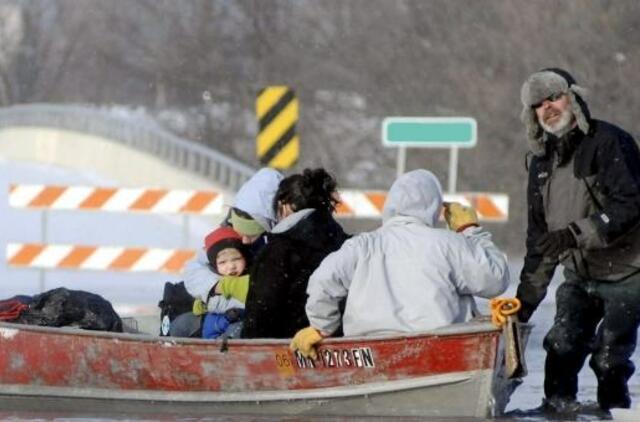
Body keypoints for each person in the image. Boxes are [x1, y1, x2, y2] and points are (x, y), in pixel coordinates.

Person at [516, 68, 640, 412]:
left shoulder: (608, 142)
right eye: (539, 104)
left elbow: (630, 204)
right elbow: (539, 243)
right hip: (580, 276)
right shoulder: (540, 165)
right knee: (560, 344)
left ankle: (615, 413)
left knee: (608, 358)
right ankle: (558, 411)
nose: (548, 108)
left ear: (573, 97)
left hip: (629, 273)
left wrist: (575, 233)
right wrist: (522, 308)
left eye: (554, 97)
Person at [290, 169, 510, 357]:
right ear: (434, 206)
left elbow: (323, 281)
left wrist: (322, 327)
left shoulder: (362, 246)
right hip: (439, 349)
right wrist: (469, 230)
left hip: (368, 352)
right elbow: (495, 280)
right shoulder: (449, 244)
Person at [168, 167, 283, 337]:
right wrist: (219, 286)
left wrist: (217, 301)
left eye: (250, 234)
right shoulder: (228, 233)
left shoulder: (279, 245)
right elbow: (195, 270)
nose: (243, 240)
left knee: (233, 337)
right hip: (220, 310)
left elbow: (266, 297)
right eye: (240, 232)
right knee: (179, 326)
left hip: (250, 318)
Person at [241, 168, 350, 339]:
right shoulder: (344, 242)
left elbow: (260, 314)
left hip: (288, 349)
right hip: (339, 341)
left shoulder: (279, 250)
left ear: (284, 204)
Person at [194, 226, 251, 339]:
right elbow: (198, 306)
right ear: (215, 265)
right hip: (215, 329)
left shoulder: (252, 277)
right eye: (222, 262)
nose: (231, 266)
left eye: (236, 259)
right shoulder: (213, 282)